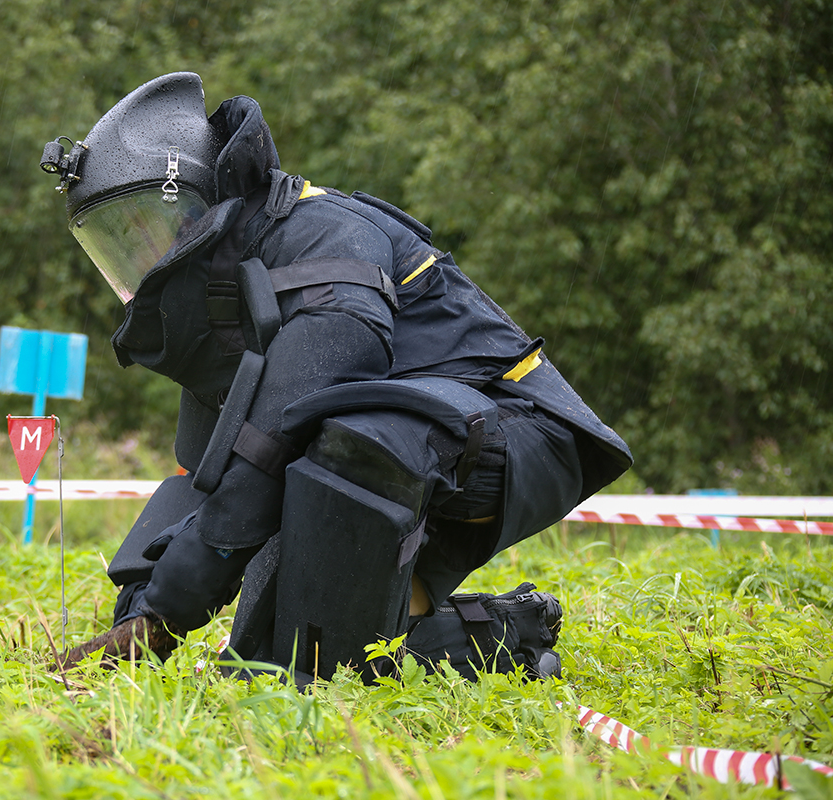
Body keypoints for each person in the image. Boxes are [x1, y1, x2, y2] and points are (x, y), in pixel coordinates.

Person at [40, 73, 632, 682]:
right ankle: (506, 635)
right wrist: (132, 627)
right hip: (419, 438)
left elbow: (268, 453)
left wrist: (167, 615)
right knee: (274, 648)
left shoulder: (328, 240)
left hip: (523, 432)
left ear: (197, 206)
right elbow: (202, 476)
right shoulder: (229, 283)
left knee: (333, 459)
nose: (136, 259)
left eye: (144, 227)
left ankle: (319, 667)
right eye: (113, 242)